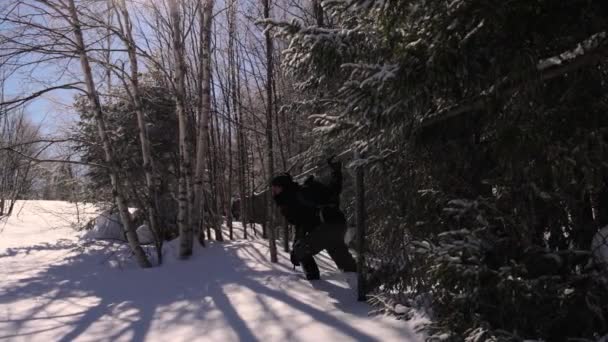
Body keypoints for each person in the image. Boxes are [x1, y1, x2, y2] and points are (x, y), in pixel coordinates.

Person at [271, 157, 357, 280]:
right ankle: (369, 279)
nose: (273, 192)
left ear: (284, 187)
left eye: (276, 188)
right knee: (348, 267)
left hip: (329, 225)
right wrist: (297, 242)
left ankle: (315, 284)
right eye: (273, 188)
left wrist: (336, 172)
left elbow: (332, 192)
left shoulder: (301, 193)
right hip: (332, 227)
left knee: (300, 250)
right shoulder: (288, 202)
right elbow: (301, 223)